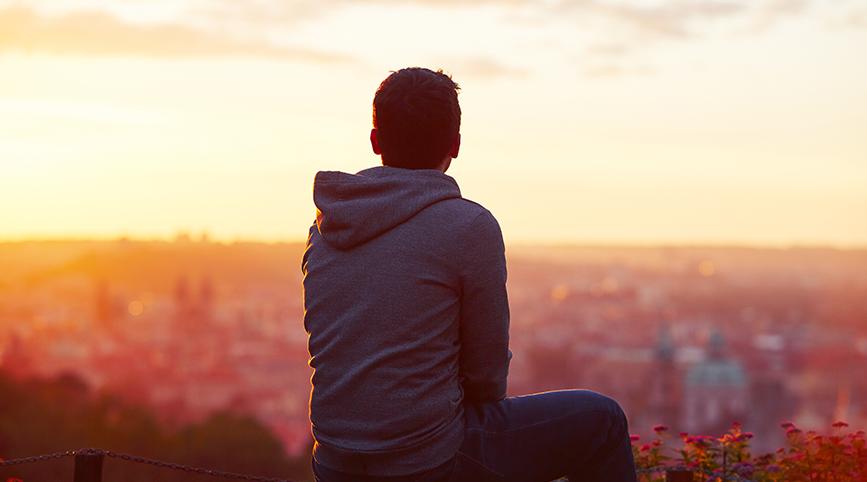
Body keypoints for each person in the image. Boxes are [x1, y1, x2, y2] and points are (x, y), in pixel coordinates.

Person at [301, 67, 638, 482]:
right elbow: (487, 374)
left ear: (375, 141)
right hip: (425, 461)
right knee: (602, 420)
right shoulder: (468, 226)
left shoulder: (326, 226)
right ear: (456, 145)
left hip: (333, 464)